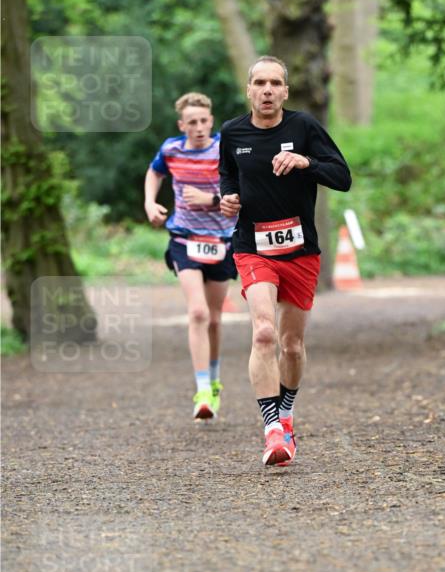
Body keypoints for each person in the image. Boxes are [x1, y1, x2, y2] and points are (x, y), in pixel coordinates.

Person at [219, 56, 352, 466]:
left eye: (275, 83)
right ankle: (272, 429)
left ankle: (287, 414)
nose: (267, 90)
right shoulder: (232, 132)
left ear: (285, 91)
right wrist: (228, 198)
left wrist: (306, 162)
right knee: (263, 333)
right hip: (253, 247)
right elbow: (228, 175)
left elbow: (342, 177)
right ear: (248, 89)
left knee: (291, 345)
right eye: (260, 82)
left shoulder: (304, 127)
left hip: (299, 251)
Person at [144, 91, 238, 420]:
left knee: (214, 319)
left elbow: (241, 190)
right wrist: (150, 203)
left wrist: (210, 199)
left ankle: (214, 381)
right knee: (197, 312)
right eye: (192, 122)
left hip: (222, 240)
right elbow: (154, 172)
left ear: (211, 122)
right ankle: (202, 391)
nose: (198, 127)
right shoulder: (171, 149)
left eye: (203, 121)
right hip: (184, 239)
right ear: (181, 125)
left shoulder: (225, 149)